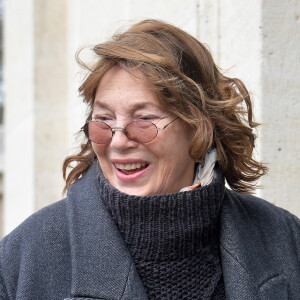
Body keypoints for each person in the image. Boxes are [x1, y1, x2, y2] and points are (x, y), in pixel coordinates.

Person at [1, 19, 300, 300]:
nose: (118, 141)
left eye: (144, 119)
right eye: (103, 119)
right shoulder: (22, 258)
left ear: (201, 126)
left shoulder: (286, 239)